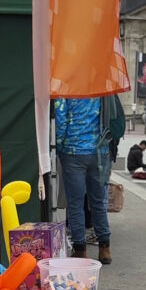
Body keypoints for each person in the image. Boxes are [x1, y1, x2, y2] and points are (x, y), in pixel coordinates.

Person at [54, 96, 112, 263]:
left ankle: (80, 250)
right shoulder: (100, 89)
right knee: (98, 202)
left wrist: (58, 146)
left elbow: (61, 121)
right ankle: (104, 248)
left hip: (73, 153)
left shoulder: (66, 89)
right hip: (100, 152)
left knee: (75, 204)